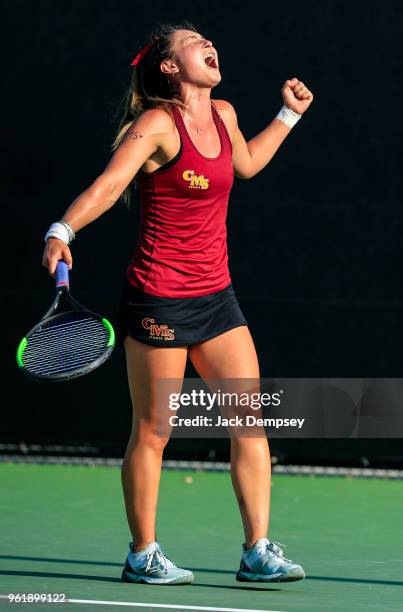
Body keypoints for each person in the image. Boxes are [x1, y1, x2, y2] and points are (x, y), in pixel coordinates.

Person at [42, 21, 313, 586]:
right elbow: (110, 185)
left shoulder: (226, 115)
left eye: (208, 39)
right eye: (194, 43)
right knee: (154, 431)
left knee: (249, 422)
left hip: (217, 298)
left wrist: (287, 116)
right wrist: (63, 228)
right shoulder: (156, 125)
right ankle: (143, 554)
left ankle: (257, 551)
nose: (208, 45)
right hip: (159, 300)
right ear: (169, 66)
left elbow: (244, 165)